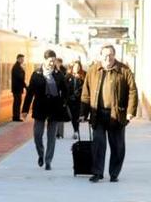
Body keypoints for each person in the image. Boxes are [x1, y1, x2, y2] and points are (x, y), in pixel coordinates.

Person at [80, 44, 138, 183]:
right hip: (98, 114)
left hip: (117, 114)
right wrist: (83, 112)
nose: (108, 57)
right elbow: (85, 93)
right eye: (105, 55)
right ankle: (97, 172)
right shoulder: (93, 70)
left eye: (111, 55)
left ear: (114, 55)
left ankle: (114, 173)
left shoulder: (124, 70)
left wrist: (130, 112)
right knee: (98, 143)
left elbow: (132, 91)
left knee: (117, 146)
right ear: (101, 55)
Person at [21, 49, 68, 170]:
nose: (52, 63)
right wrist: (25, 110)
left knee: (51, 136)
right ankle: (41, 154)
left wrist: (63, 102)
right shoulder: (36, 74)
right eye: (50, 61)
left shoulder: (59, 74)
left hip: (55, 109)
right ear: (45, 60)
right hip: (40, 108)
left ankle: (48, 161)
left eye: (54, 61)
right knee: (37, 135)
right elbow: (30, 92)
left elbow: (66, 91)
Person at [67, 61, 86, 139]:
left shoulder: (83, 75)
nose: (77, 68)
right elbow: (65, 86)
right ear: (73, 67)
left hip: (79, 100)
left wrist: (80, 80)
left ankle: (76, 131)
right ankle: (75, 130)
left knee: (76, 115)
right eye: (75, 66)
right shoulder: (68, 76)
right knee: (72, 116)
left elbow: (85, 87)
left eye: (78, 67)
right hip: (70, 99)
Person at [11, 54, 27, 121]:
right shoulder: (16, 67)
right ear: (18, 59)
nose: (23, 60)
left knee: (18, 102)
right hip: (17, 88)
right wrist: (26, 86)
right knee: (17, 102)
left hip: (18, 88)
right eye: (22, 59)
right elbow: (20, 78)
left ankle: (16, 116)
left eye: (23, 59)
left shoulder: (18, 66)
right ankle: (16, 117)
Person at [55, 57, 68, 138]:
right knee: (55, 117)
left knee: (60, 117)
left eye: (58, 62)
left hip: (61, 97)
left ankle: (60, 133)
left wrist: (65, 100)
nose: (57, 64)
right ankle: (55, 133)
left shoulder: (63, 71)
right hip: (55, 97)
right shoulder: (53, 71)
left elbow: (65, 87)